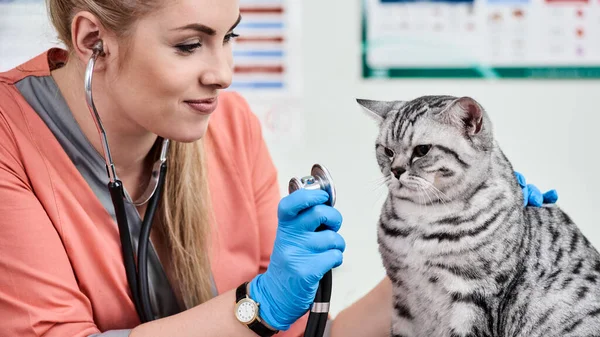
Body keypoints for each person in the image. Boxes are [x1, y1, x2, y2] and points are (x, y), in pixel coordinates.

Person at [0, 0, 557, 336]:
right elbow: (260, 319)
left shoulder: (229, 125)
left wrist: (455, 263)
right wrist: (255, 307)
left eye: (230, 37)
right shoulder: (11, 140)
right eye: (191, 45)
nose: (223, 74)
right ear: (94, 40)